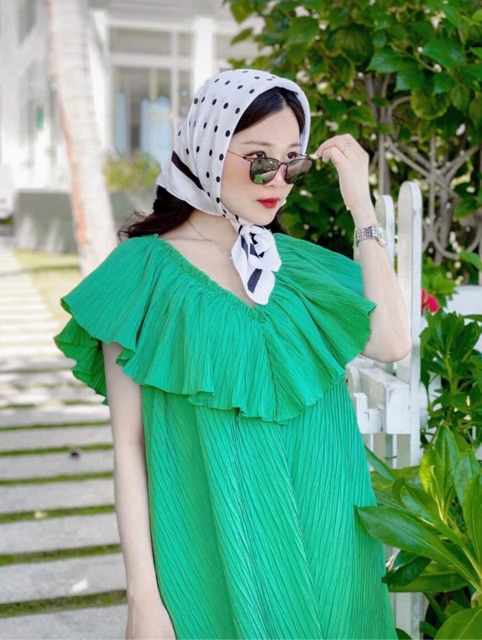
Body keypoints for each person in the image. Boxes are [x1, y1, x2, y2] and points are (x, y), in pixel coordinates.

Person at [55, 68, 411, 640]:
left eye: (292, 161)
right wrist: (143, 600)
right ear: (209, 147)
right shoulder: (143, 273)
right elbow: (130, 446)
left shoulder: (296, 267)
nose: (278, 179)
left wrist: (362, 208)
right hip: (215, 545)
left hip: (329, 540)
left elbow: (392, 343)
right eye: (259, 158)